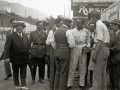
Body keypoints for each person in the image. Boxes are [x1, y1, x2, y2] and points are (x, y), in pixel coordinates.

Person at [4, 21, 29, 90]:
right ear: (16, 27)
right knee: (16, 72)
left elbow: (28, 46)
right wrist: (7, 58)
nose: (20, 28)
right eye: (18, 26)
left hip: (24, 58)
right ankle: (17, 85)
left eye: (21, 27)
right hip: (15, 58)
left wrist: (28, 55)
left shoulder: (25, 35)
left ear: (23, 28)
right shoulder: (11, 36)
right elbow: (7, 47)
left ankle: (23, 85)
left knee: (23, 72)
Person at [67, 18, 90, 90]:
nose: (78, 24)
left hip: (83, 48)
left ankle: (82, 84)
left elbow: (88, 42)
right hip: (74, 48)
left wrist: (86, 47)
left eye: (79, 23)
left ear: (83, 23)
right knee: (72, 66)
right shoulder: (72, 31)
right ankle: (69, 84)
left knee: (83, 67)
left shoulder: (86, 31)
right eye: (77, 22)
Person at [53, 17, 75, 90]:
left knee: (57, 71)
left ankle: (56, 88)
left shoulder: (56, 31)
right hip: (64, 52)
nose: (70, 24)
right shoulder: (68, 31)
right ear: (67, 23)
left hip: (56, 52)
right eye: (70, 23)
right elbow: (72, 45)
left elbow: (53, 43)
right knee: (64, 72)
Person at [91, 11, 110, 90]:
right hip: (105, 48)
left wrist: (95, 54)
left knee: (97, 73)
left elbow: (100, 41)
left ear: (94, 18)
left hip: (101, 49)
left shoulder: (98, 25)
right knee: (102, 72)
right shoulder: (103, 25)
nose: (91, 20)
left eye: (91, 18)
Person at [46, 18, 63, 90]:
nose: (62, 25)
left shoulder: (63, 30)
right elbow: (47, 42)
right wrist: (53, 40)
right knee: (53, 68)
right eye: (61, 23)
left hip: (61, 50)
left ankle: (58, 85)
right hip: (53, 50)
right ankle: (51, 86)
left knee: (60, 68)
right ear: (57, 24)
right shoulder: (51, 31)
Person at [109, 19, 120, 90]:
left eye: (112, 25)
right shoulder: (116, 34)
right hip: (113, 59)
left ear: (117, 25)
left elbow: (117, 48)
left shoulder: (119, 35)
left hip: (117, 59)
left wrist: (106, 48)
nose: (111, 26)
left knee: (116, 78)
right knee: (112, 77)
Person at [87, 22, 96, 86]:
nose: (91, 28)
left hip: (93, 52)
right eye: (90, 27)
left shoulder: (96, 34)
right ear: (89, 27)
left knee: (92, 68)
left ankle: (92, 82)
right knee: (85, 66)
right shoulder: (86, 33)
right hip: (87, 52)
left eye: (93, 27)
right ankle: (84, 82)